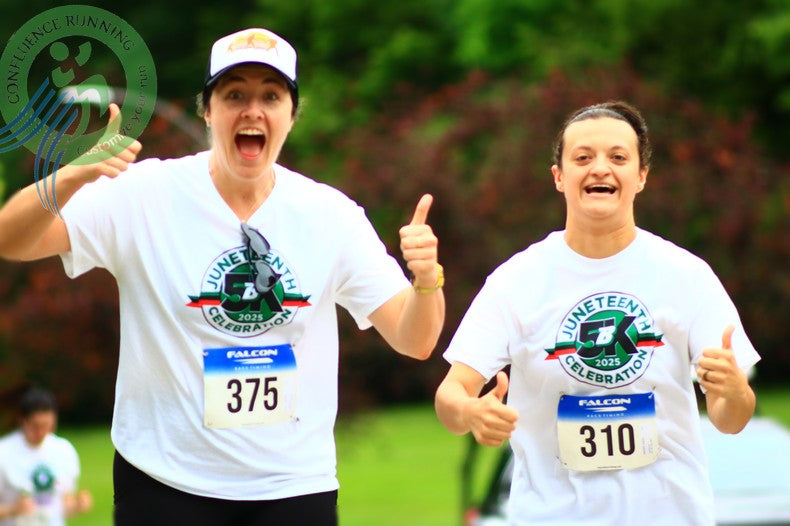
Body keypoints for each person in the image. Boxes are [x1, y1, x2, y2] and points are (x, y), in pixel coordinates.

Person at [0, 27, 444, 525]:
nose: (253, 111)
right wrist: (72, 175)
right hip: (164, 482)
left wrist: (427, 280)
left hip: (293, 487)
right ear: (207, 111)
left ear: (291, 115)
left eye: (271, 97)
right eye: (234, 95)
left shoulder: (330, 215)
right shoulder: (143, 194)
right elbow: (10, 239)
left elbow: (416, 339)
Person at [434, 101, 760, 525]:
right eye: (583, 158)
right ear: (559, 176)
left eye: (618, 157)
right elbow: (451, 394)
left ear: (641, 176)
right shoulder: (515, 280)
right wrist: (470, 413)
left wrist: (734, 390)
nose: (600, 169)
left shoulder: (687, 276)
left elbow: (731, 419)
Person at [0, 387, 92, 525]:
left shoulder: (64, 450)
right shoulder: (4, 452)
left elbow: (63, 504)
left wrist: (78, 505)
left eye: (47, 425)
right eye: (35, 426)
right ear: (23, 421)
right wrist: (13, 509)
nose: (41, 432)